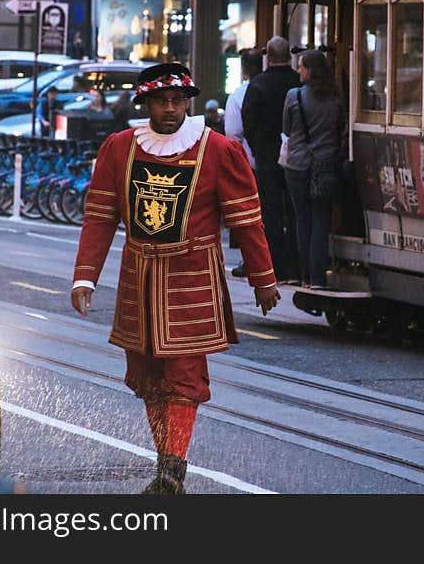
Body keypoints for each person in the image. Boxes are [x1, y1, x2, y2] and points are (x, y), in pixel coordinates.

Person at [70, 63, 280, 494]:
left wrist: (263, 278)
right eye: (162, 101)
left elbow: (247, 220)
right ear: (146, 103)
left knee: (183, 375)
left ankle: (171, 472)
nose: (170, 109)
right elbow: (100, 216)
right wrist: (84, 277)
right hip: (139, 277)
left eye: (178, 101)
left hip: (191, 279)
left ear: (188, 103)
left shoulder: (219, 150)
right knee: (149, 376)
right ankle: (165, 459)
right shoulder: (119, 147)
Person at [241, 35, 301, 282]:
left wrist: (258, 149)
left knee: (271, 212)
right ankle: (298, 265)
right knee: (296, 211)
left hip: (267, 156)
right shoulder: (298, 82)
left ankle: (276, 264)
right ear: (289, 56)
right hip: (297, 156)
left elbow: (248, 120)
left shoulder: (258, 85)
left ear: (269, 57)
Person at [282, 50, 342, 289]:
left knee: (302, 220)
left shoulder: (294, 96)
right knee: (320, 221)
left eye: (301, 67)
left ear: (310, 70)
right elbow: (339, 128)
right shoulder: (335, 98)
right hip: (324, 165)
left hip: (297, 164)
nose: (299, 71)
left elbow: (286, 129)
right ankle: (318, 277)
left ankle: (305, 275)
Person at [224, 47, 262, 277]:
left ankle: (250, 260)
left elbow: (233, 131)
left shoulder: (240, 94)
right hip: (281, 160)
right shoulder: (285, 87)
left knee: (249, 213)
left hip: (249, 160)